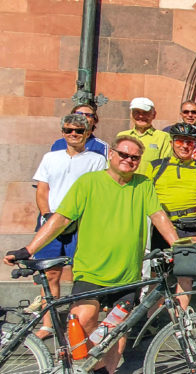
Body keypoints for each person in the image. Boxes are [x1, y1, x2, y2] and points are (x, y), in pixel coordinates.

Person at [5, 135, 179, 373]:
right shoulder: (88, 182)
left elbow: (158, 215)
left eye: (134, 157)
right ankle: (89, 367)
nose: (128, 160)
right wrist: (29, 249)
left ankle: (106, 371)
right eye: (124, 154)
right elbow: (62, 218)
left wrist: (178, 245)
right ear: (111, 154)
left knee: (117, 331)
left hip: (127, 273)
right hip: (91, 270)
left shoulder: (143, 184)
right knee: (84, 320)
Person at [32, 113, 107, 339]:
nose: (73, 135)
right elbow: (42, 190)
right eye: (68, 130)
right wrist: (47, 215)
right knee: (50, 274)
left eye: (78, 131)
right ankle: (48, 324)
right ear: (62, 132)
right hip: (52, 222)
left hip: (82, 225)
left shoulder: (97, 160)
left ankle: (77, 323)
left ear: (87, 133)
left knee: (81, 275)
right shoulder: (50, 157)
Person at [145, 123, 196, 311]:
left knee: (186, 274)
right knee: (157, 274)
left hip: (190, 226)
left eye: (189, 142)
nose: (185, 146)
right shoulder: (156, 167)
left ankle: (181, 317)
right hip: (161, 228)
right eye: (180, 141)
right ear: (172, 143)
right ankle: (153, 319)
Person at [117, 97, 172, 175]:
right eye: (136, 112)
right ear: (131, 114)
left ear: (154, 115)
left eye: (145, 113)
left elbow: (165, 166)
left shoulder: (164, 137)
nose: (141, 116)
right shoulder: (122, 136)